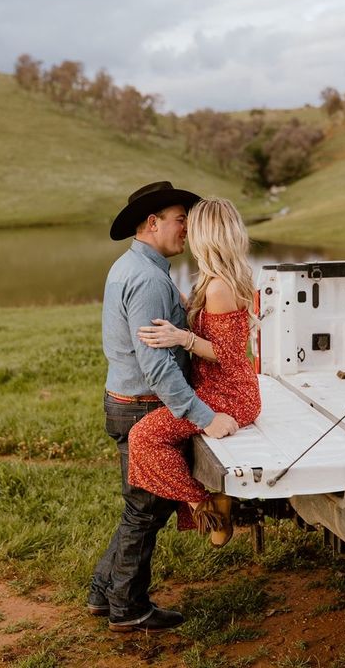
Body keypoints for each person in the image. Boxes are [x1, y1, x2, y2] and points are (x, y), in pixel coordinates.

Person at [88, 181, 238, 633]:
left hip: (126, 401)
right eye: (179, 219)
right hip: (142, 406)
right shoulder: (150, 279)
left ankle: (103, 591)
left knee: (141, 507)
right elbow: (158, 368)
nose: (187, 228)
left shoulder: (133, 266)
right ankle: (128, 608)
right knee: (146, 510)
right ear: (152, 223)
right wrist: (205, 417)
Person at [128, 198, 261, 547]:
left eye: (192, 225)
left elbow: (228, 354)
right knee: (152, 436)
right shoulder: (213, 281)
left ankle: (207, 508)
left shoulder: (219, 287)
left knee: (143, 438)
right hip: (215, 388)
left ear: (207, 235)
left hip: (228, 394)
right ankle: (213, 504)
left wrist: (182, 337)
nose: (186, 230)